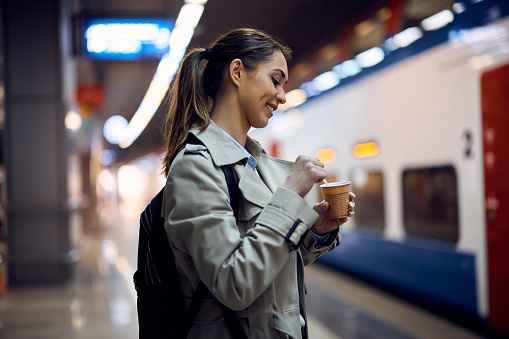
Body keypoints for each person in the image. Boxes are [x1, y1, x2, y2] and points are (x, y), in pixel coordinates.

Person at [161, 28, 355, 339]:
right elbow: (234, 283)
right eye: (276, 80)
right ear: (237, 72)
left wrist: (314, 232)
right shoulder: (196, 165)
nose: (282, 95)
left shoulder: (254, 163)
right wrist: (290, 195)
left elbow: (268, 265)